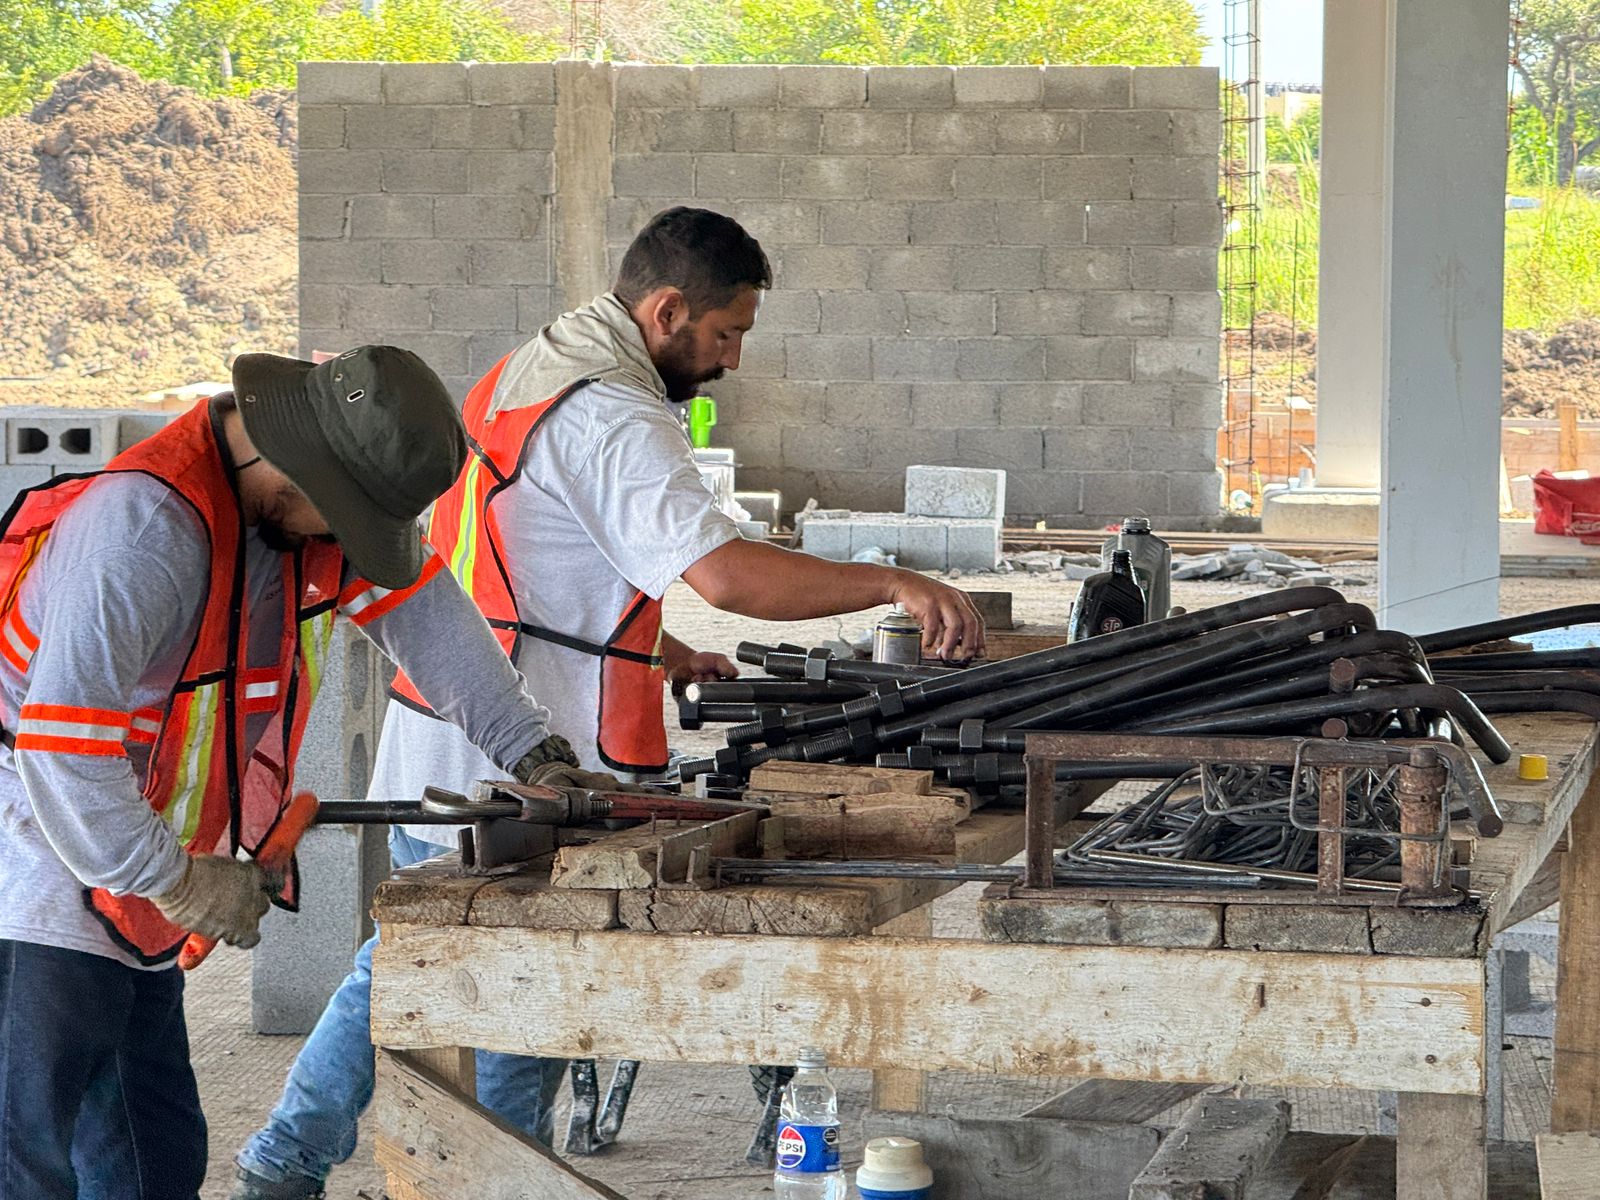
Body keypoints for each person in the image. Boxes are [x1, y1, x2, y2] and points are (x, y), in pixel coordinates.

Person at [232, 206, 984, 1200]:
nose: (733, 359)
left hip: (457, 730)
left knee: (432, 970)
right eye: (727, 333)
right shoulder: (614, 413)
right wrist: (893, 583)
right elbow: (726, 576)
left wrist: (655, 650)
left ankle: (314, 1161)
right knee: (504, 999)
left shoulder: (535, 367)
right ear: (666, 311)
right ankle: (348, 1167)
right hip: (517, 751)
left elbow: (533, 552)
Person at [0, 345, 579, 1200]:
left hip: (124, 872)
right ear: (293, 468)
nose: (342, 545)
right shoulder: (143, 532)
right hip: (36, 864)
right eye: (339, 521)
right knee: (28, 1157)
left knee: (153, 1159)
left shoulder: (293, 514)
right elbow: (61, 750)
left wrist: (536, 753)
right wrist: (178, 882)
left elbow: (433, 623)